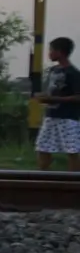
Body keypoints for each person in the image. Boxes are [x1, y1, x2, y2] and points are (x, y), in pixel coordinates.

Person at [33, 36, 80, 171]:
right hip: (51, 115)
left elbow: (78, 97)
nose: (49, 53)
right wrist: (43, 97)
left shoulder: (73, 73)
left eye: (51, 50)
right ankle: (43, 179)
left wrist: (55, 100)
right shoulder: (53, 71)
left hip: (68, 118)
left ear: (60, 52)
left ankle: (74, 182)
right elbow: (51, 91)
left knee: (72, 151)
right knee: (42, 147)